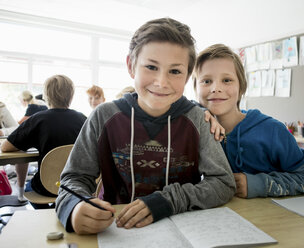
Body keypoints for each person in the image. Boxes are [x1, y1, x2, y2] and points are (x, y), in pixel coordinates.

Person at [55, 18, 236, 235]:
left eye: (175, 71)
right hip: (116, 228)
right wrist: (75, 206)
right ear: (131, 66)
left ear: (188, 76)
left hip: (184, 228)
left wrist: (167, 201)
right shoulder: (103, 116)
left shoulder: (199, 120)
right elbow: (73, 180)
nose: (161, 82)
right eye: (151, 67)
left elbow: (223, 183)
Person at [193, 44, 304, 199]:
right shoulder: (193, 129)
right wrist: (198, 110)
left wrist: (259, 184)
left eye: (227, 80)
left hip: (267, 219)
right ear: (195, 89)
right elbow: (177, 105)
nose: (216, 88)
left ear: (241, 88)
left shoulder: (272, 131)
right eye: (206, 81)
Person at [1, 75, 87, 207]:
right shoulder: (83, 119)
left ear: (46, 95)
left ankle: (46, 213)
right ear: (71, 96)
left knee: (29, 188)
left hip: (46, 187)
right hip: (78, 186)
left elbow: (6, 147)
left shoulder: (38, 119)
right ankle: (61, 211)